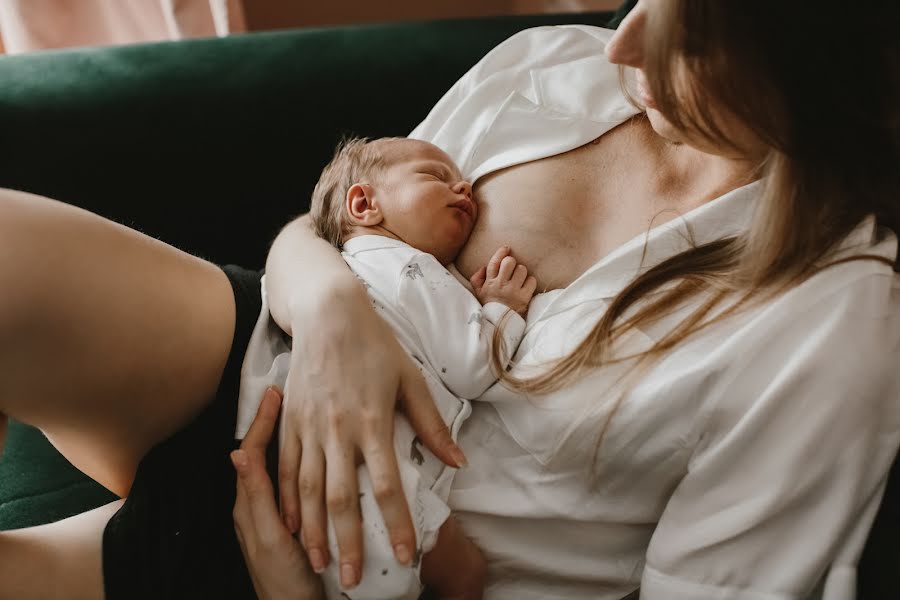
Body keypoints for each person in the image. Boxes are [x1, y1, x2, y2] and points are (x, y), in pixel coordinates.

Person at [0, 1, 897, 599]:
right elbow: (332, 228)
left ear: (815, 71)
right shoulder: (558, 67)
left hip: (360, 559)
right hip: (270, 355)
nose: (621, 42)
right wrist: (332, 315)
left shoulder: (837, 324)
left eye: (694, 38)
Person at [237, 135, 535, 598]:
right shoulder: (408, 268)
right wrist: (502, 309)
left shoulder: (345, 266)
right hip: (377, 480)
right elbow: (471, 367)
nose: (465, 190)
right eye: (437, 177)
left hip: (301, 467)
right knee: (467, 575)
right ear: (364, 204)